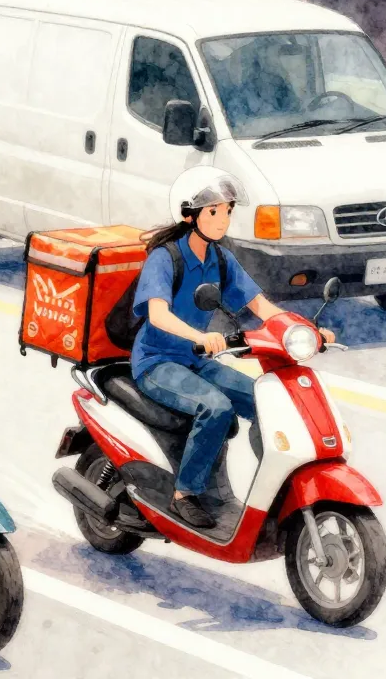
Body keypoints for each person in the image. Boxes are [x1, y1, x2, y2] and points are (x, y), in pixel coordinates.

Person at [131, 167, 335, 529]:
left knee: (267, 401)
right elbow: (157, 314)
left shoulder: (220, 259)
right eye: (214, 211)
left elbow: (262, 306)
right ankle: (184, 495)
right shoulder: (165, 258)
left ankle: (276, 489)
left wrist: (307, 331)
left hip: (196, 361)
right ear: (189, 214)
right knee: (216, 408)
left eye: (227, 211)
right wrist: (200, 337)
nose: (223, 219)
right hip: (157, 362)